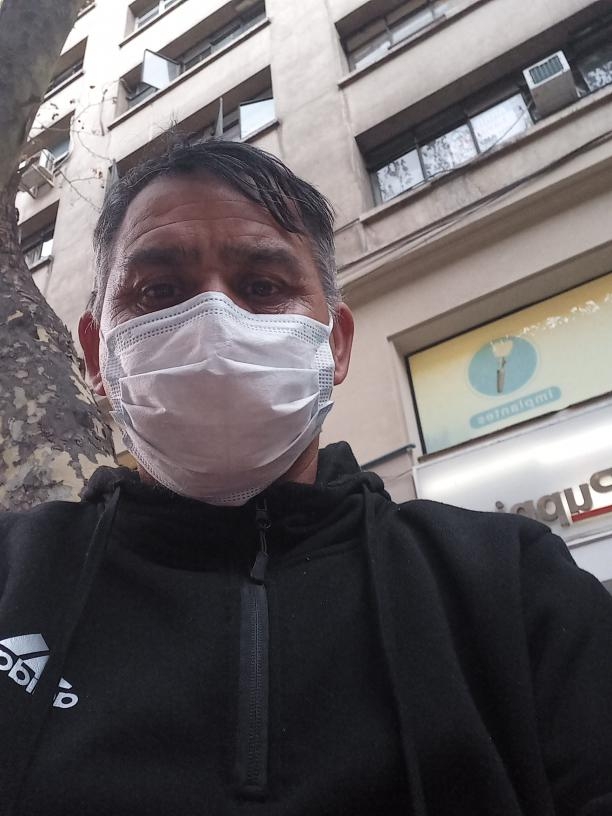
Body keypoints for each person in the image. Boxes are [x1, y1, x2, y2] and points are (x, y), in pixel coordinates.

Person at [1, 139, 611, 816]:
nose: (214, 324)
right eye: (160, 292)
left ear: (335, 343)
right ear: (95, 354)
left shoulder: (509, 578)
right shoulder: (11, 577)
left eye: (263, 287)